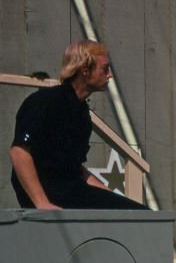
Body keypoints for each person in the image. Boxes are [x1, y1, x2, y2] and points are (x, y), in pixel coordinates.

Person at [9, 40, 146, 211]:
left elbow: (77, 171)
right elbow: (19, 152)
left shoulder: (81, 114)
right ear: (85, 70)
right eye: (104, 68)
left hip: (70, 190)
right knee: (137, 214)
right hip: (49, 192)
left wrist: (113, 198)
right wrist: (41, 203)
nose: (109, 75)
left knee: (139, 214)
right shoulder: (45, 102)